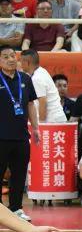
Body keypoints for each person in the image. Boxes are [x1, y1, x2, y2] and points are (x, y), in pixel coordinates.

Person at [0, 44, 40, 221]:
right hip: (1, 137)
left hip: (21, 136)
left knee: (19, 174)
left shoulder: (25, 78)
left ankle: (16, 209)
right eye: (5, 56)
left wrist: (36, 127)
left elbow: (30, 104)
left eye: (12, 56)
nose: (10, 59)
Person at [21, 49, 67, 124]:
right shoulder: (41, 71)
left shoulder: (37, 78)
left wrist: (41, 124)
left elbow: (43, 102)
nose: (20, 64)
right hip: (55, 118)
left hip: (52, 120)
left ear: (27, 63)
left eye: (21, 61)